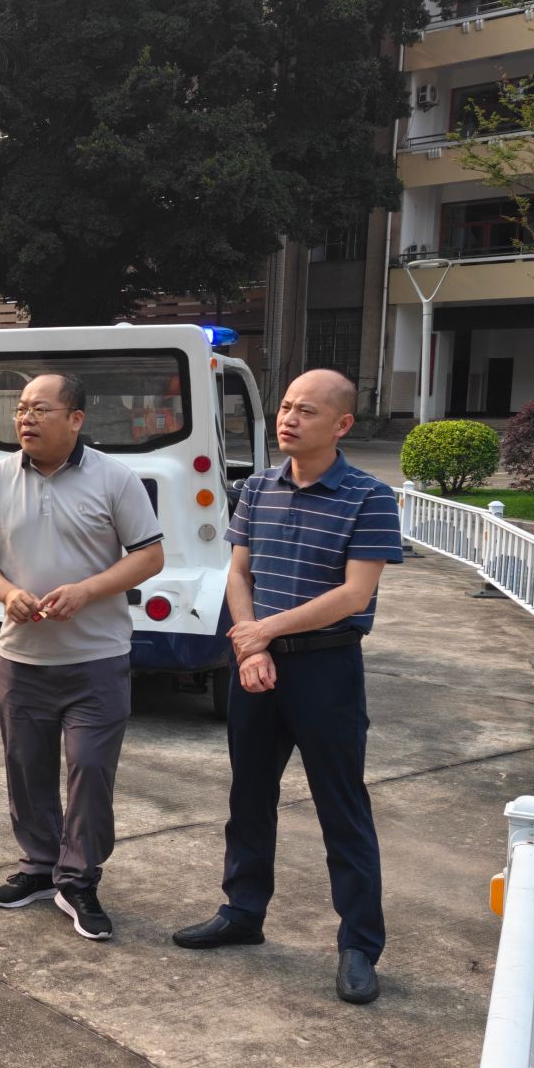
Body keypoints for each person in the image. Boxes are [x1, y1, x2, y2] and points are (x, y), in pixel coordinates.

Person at [172, 368, 403, 1005]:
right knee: (248, 795)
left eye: (306, 410)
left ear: (343, 424)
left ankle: (359, 944)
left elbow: (354, 594)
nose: (289, 419)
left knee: (341, 806)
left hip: (326, 669)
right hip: (258, 667)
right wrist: (251, 646)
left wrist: (261, 633)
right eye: (285, 407)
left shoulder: (369, 497)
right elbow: (237, 573)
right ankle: (242, 911)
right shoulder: (256, 489)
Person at [0, 372, 166, 941]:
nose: (26, 418)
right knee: (27, 769)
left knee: (90, 769)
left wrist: (87, 591)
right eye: (21, 408)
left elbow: (149, 556)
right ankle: (40, 866)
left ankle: (79, 878)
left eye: (40, 409)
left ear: (76, 419)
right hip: (22, 659)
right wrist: (7, 593)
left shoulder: (115, 479)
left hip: (97, 659)